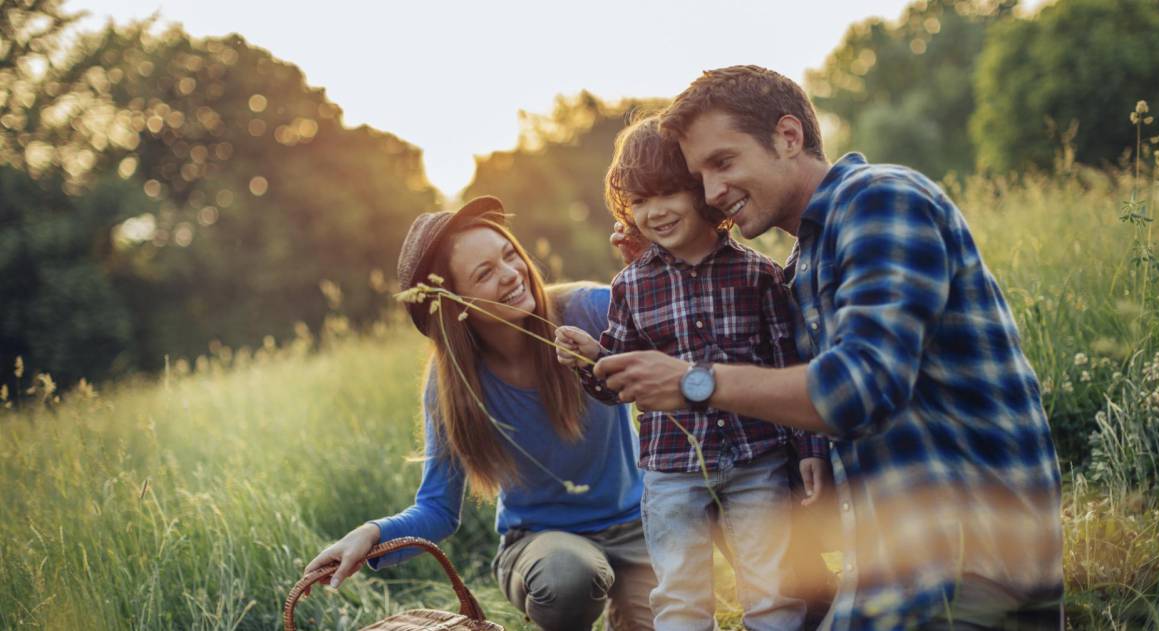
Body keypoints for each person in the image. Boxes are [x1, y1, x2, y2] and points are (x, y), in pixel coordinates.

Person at [596, 66, 1065, 630]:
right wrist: (658, 275)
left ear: (788, 137)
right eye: (699, 177)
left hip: (970, 566)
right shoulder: (802, 264)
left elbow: (860, 386)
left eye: (723, 163)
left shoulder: (882, 200)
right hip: (889, 570)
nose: (713, 192)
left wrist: (694, 380)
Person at [303, 196, 655, 631]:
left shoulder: (590, 309)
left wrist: (652, 262)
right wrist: (371, 534)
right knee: (568, 576)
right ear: (457, 305)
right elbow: (437, 510)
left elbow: (678, 339)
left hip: (640, 526)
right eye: (484, 273)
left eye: (509, 255)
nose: (511, 275)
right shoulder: (454, 386)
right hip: (544, 545)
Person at [555, 116, 829, 631]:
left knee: (772, 589)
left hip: (757, 458)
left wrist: (809, 450)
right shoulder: (631, 287)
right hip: (671, 468)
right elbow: (618, 384)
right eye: (639, 201)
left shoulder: (757, 275)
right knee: (680, 594)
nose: (654, 212)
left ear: (702, 191)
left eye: (667, 194)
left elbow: (788, 367)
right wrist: (592, 359)